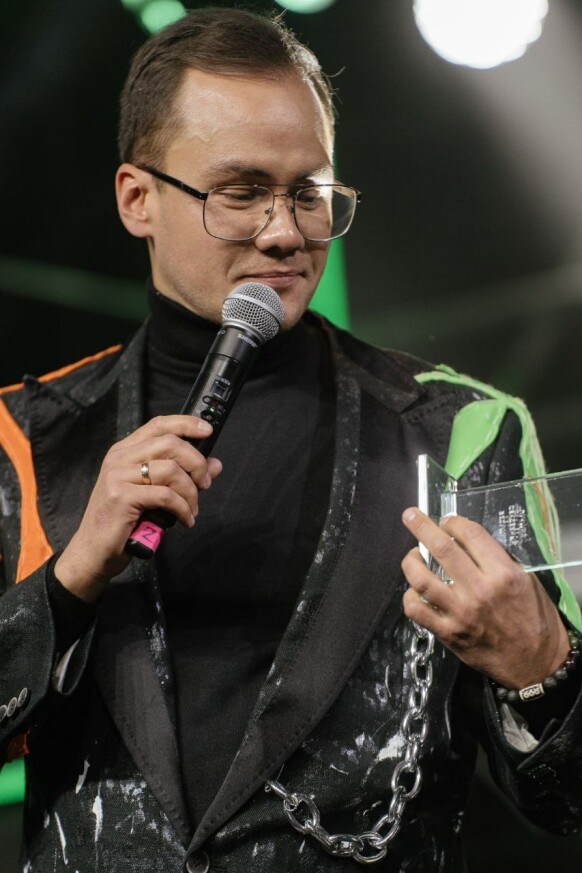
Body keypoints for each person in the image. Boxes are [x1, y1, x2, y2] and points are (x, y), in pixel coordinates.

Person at [0, 7, 580, 872]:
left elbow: (565, 799)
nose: (284, 231)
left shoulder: (466, 431)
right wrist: (73, 576)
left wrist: (543, 663)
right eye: (240, 193)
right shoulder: (24, 436)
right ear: (136, 198)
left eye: (309, 192)